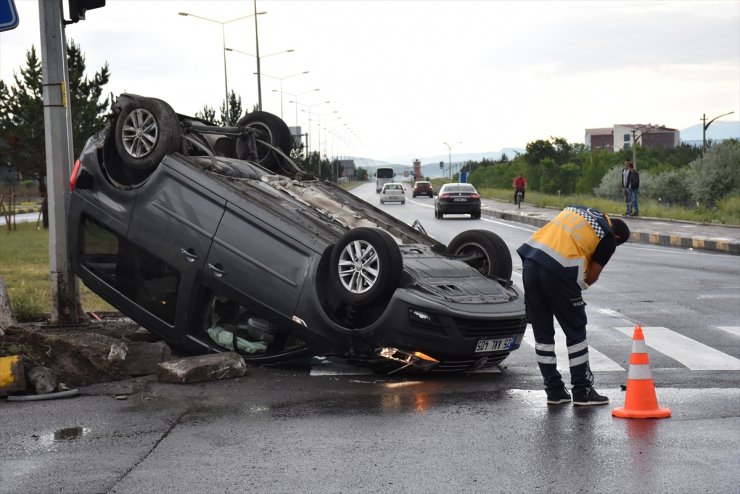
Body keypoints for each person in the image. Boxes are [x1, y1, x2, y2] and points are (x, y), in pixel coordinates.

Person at [517, 206, 630, 406]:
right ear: (618, 237)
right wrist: (577, 288)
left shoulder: (579, 210)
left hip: (531, 263)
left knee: (543, 333)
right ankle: (582, 390)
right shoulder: (608, 236)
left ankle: (554, 391)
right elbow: (591, 276)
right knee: (575, 330)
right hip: (559, 271)